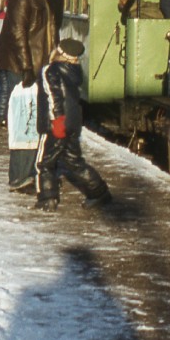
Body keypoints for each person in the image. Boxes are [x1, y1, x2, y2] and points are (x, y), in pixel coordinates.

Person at [0, 0, 58, 190]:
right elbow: (18, 32)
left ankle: (28, 173)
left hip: (35, 64)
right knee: (25, 119)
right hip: (23, 66)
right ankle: (20, 177)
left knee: (33, 120)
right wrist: (26, 67)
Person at [32, 38, 111, 211]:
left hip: (57, 123)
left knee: (44, 162)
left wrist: (57, 121)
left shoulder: (50, 70)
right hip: (74, 122)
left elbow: (54, 97)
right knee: (75, 162)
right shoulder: (74, 71)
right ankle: (99, 193)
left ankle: (47, 198)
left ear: (59, 52)